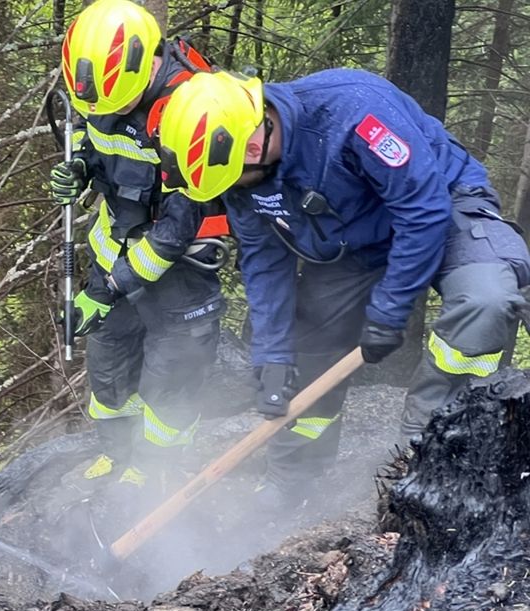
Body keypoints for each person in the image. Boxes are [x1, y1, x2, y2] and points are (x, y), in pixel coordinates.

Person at [156, 69, 530, 507]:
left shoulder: (354, 111)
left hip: (443, 206)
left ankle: (428, 449)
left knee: (487, 299)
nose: (234, 190)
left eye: (236, 179)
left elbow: (422, 209)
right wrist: (273, 358)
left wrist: (390, 310)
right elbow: (263, 261)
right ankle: (290, 481)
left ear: (253, 144)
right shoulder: (240, 173)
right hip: (353, 242)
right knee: (303, 344)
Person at [50, 0, 226, 492]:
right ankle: (116, 454)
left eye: (121, 103)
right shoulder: (97, 91)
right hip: (113, 249)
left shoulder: (191, 111)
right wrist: (81, 168)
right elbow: (92, 137)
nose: (110, 112)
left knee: (171, 384)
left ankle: (154, 472)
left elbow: (175, 230)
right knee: (107, 370)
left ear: (149, 62)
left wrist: (110, 288)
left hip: (181, 271)